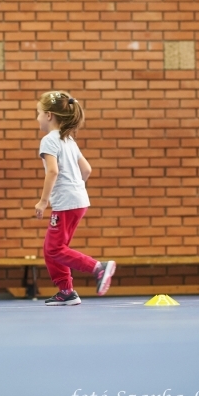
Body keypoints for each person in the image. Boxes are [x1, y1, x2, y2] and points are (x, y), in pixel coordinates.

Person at [34, 91, 115, 305]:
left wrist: (43, 201)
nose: (38, 118)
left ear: (49, 115)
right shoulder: (68, 140)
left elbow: (52, 172)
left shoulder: (49, 140)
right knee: (53, 248)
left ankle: (98, 267)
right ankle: (67, 291)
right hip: (78, 200)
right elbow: (86, 170)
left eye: (39, 113)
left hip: (67, 203)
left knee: (54, 249)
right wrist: (76, 189)